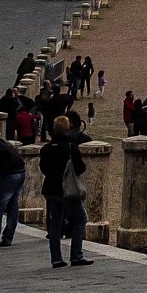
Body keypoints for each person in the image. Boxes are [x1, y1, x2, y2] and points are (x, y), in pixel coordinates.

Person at [39, 114, 94, 268]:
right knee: (80, 219)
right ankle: (76, 255)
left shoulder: (46, 148)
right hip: (67, 188)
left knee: (55, 223)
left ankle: (56, 258)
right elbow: (80, 167)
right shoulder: (70, 147)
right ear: (68, 129)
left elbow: (43, 168)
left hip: (50, 188)